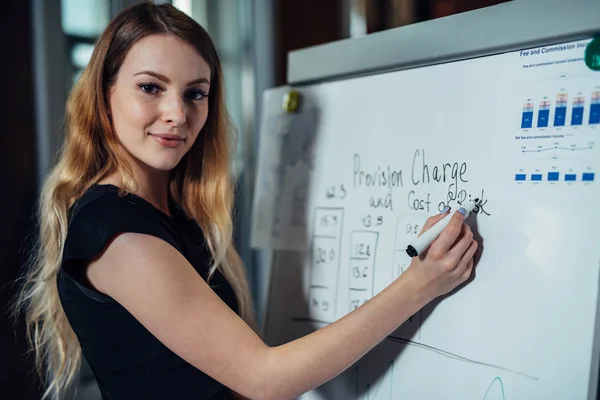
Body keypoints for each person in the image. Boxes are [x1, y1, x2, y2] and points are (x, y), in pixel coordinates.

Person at [13, 2, 478, 400]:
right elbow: (262, 379)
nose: (177, 114)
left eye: (196, 93)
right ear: (104, 93)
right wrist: (421, 283)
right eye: (151, 87)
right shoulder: (117, 233)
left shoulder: (170, 215)